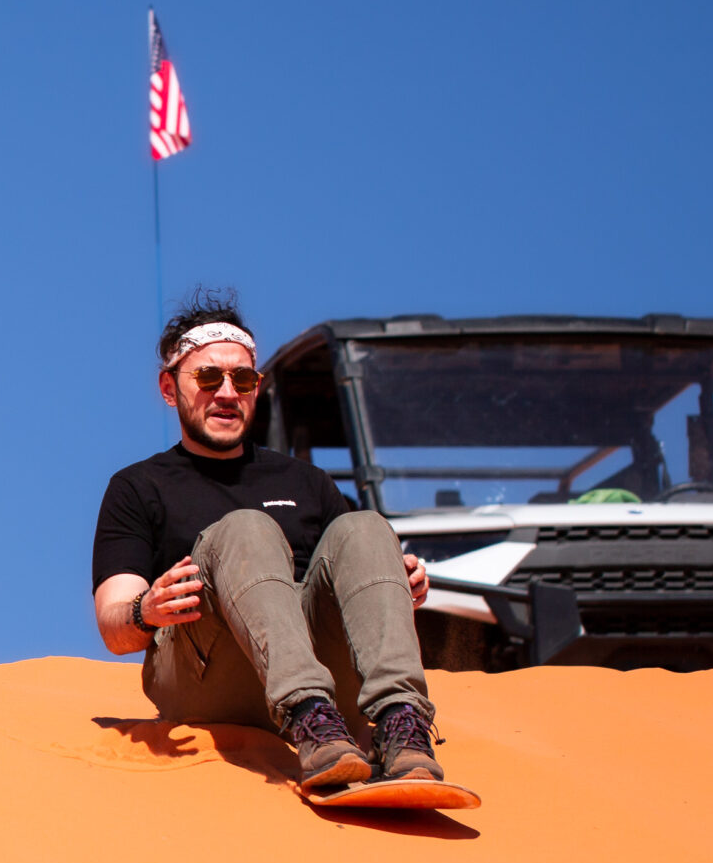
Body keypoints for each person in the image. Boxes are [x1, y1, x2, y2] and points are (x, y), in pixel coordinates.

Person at [90, 291, 449, 789]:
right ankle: (307, 717)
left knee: (366, 528)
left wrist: (394, 581)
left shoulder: (308, 482)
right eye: (208, 377)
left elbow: (354, 577)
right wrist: (145, 610)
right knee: (246, 528)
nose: (227, 393)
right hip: (209, 676)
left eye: (243, 379)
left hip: (325, 676)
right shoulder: (138, 486)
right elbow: (114, 628)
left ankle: (402, 728)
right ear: (169, 388)